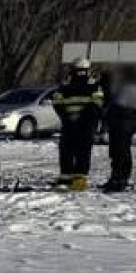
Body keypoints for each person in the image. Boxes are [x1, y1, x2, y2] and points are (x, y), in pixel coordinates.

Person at [49, 58, 105, 187]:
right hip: (86, 124)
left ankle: (65, 178)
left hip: (69, 123)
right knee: (83, 152)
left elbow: (56, 101)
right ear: (87, 69)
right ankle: (79, 181)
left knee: (66, 150)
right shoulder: (94, 84)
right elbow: (97, 104)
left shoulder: (65, 84)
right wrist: (82, 116)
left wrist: (67, 116)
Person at [102, 64, 136, 192]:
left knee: (122, 152)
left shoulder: (134, 88)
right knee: (116, 152)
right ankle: (115, 177)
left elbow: (125, 106)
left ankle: (122, 179)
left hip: (125, 123)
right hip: (119, 123)